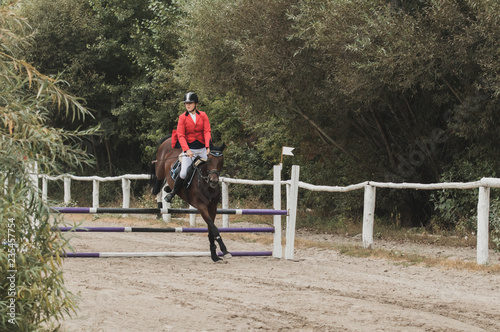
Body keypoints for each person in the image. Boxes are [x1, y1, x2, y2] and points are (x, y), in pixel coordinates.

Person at [166, 92, 211, 202]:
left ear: (196, 104)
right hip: (189, 149)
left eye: (190, 103)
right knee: (184, 172)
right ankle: (173, 193)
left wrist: (208, 146)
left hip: (201, 149)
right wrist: (187, 150)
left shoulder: (203, 115)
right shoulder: (182, 118)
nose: (188, 105)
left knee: (211, 170)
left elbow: (206, 131)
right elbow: (180, 135)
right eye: (186, 103)